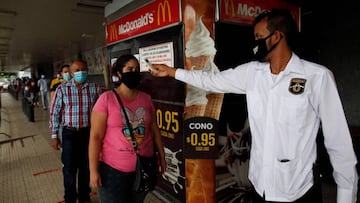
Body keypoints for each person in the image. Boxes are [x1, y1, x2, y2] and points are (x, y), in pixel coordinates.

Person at [149, 9, 358, 203]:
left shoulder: (317, 77)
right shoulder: (252, 73)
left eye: (259, 37)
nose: (255, 44)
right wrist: (173, 72)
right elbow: (211, 80)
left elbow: (338, 142)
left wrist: (346, 196)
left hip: (298, 190)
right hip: (260, 187)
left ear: (276, 36)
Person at [89, 54, 166, 203]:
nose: (134, 72)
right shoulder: (106, 99)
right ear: (119, 73)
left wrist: (162, 157)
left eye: (136, 69)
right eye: (129, 69)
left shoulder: (146, 98)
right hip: (113, 172)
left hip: (143, 167)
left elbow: (154, 130)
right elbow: (95, 137)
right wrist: (93, 170)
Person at [49, 59, 103, 203]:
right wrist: (54, 135)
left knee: (86, 167)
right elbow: (55, 113)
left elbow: (101, 113)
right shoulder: (62, 89)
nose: (81, 73)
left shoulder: (96, 89)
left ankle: (85, 197)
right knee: (69, 168)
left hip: (88, 134)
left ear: (88, 71)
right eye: (77, 70)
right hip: (69, 134)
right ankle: (70, 198)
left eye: (83, 70)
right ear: (71, 73)